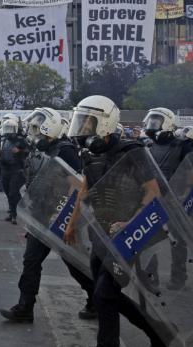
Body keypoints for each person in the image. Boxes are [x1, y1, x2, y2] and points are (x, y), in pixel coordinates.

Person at [64, 96, 165, 347]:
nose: (83, 129)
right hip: (101, 233)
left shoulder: (132, 152)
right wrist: (72, 222)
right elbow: (85, 189)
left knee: (104, 293)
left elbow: (154, 192)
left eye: (89, 123)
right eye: (82, 123)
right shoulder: (90, 155)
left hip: (129, 235)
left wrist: (130, 223)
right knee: (105, 297)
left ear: (106, 124)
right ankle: (159, 332)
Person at [0, 107, 96, 323]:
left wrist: (68, 221)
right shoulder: (41, 150)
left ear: (50, 128)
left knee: (74, 265)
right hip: (43, 215)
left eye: (38, 131)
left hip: (62, 216)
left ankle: (95, 299)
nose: (35, 136)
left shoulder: (65, 151)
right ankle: (25, 307)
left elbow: (77, 187)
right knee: (31, 261)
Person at [142, 107, 193, 290]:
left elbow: (190, 172)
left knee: (177, 240)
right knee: (148, 240)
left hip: (175, 200)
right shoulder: (148, 146)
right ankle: (150, 276)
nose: (152, 124)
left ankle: (178, 277)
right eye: (151, 120)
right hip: (154, 199)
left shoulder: (183, 145)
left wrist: (181, 195)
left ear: (168, 123)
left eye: (156, 121)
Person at [0, 119, 28, 225]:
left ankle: (17, 213)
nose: (9, 131)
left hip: (16, 169)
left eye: (11, 129)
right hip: (5, 169)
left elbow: (29, 151)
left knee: (13, 192)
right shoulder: (4, 140)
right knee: (8, 192)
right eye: (7, 128)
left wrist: (20, 151)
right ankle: (12, 212)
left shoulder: (21, 140)